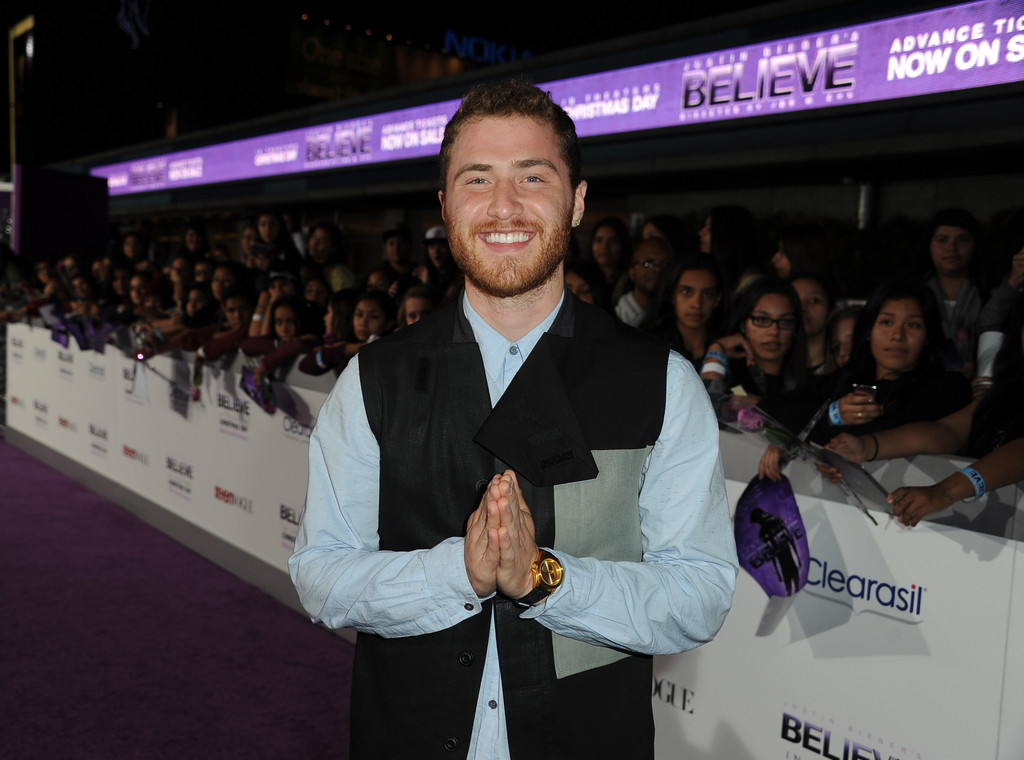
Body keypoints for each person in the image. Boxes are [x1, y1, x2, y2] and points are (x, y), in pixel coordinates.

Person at [289, 79, 737, 759]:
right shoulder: (374, 380)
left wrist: (544, 578)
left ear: (578, 200)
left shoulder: (661, 383)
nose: (503, 206)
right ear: (444, 206)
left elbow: (699, 594)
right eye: (477, 180)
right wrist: (455, 576)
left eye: (533, 176)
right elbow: (321, 576)